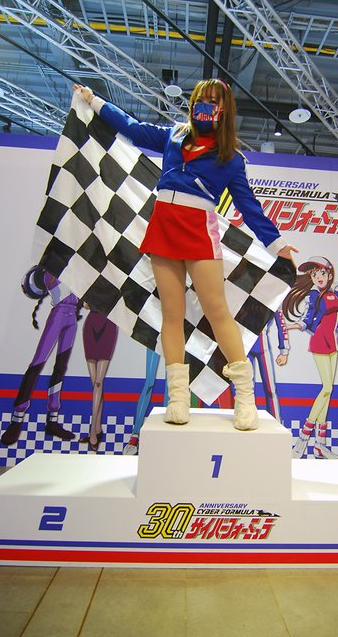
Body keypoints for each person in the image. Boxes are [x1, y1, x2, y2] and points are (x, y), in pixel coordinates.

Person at [74, 79, 297, 431]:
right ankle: (177, 398)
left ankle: (245, 396)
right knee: (171, 315)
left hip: (198, 231)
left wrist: (277, 244)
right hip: (163, 228)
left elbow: (249, 206)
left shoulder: (231, 158)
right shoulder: (175, 135)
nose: (205, 104)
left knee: (217, 311)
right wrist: (95, 101)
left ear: (224, 110)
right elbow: (132, 127)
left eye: (213, 100)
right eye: (201, 98)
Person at [282, 256, 338, 458]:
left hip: (333, 344)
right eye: (314, 274)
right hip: (319, 342)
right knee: (326, 388)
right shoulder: (313, 295)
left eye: (322, 273)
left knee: (328, 391)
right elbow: (307, 318)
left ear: (330, 273)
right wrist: (290, 326)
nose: (318, 277)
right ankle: (303, 439)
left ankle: (320, 445)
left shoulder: (336, 294)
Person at [1, 266, 81, 446]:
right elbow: (37, 284)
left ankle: (52, 420)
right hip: (59, 315)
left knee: (61, 367)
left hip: (71, 318)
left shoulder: (75, 269)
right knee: (38, 363)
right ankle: (17, 419)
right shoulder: (51, 270)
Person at [80, 308, 118, 452]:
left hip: (108, 325)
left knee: (98, 383)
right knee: (96, 384)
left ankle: (93, 431)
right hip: (90, 325)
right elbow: (86, 304)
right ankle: (97, 429)